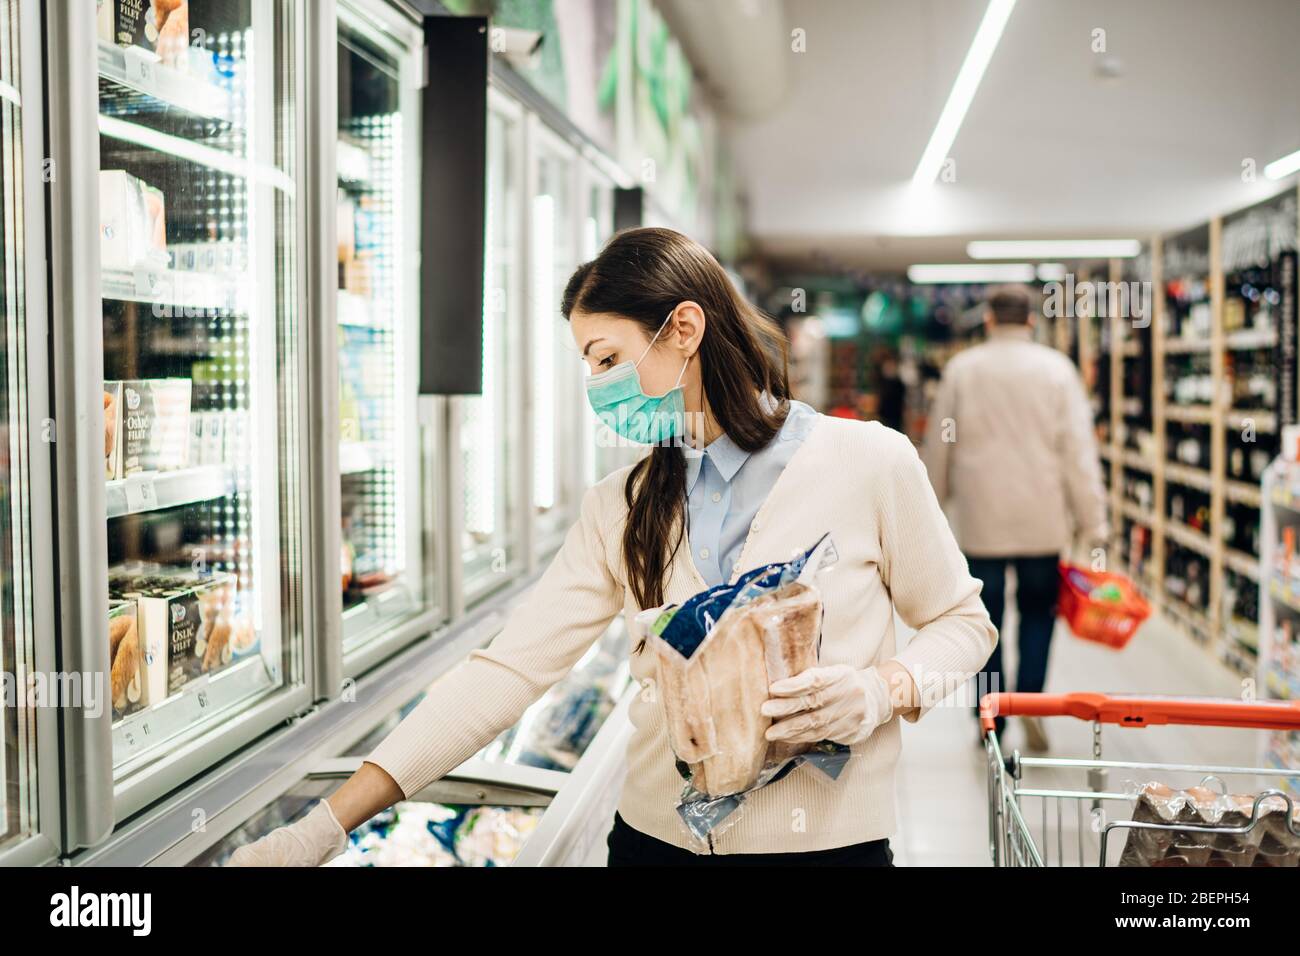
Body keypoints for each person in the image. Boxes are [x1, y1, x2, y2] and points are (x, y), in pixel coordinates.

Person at [229, 228, 996, 867]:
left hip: (826, 851)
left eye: (605, 357)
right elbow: (509, 669)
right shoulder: (623, 503)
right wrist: (327, 825)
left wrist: (881, 689)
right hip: (652, 845)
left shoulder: (868, 462)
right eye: (587, 364)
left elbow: (964, 626)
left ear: (685, 330)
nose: (595, 383)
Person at [921, 285, 1107, 752]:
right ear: (1030, 322)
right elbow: (1078, 453)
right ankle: (1029, 704)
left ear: (988, 320)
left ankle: (991, 716)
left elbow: (939, 445)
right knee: (1039, 614)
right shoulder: (1057, 371)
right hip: (1041, 520)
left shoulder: (962, 370)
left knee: (984, 622)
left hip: (981, 521)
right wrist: (1094, 522)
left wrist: (929, 508)